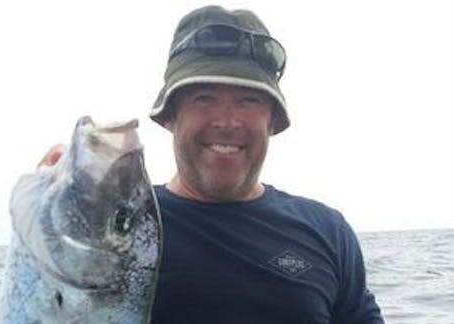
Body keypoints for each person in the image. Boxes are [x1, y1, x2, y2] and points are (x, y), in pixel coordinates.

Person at [41, 5, 384, 324]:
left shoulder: (327, 231)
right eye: (204, 99)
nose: (228, 120)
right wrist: (55, 204)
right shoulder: (121, 228)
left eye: (248, 101)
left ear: (272, 122)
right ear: (170, 117)